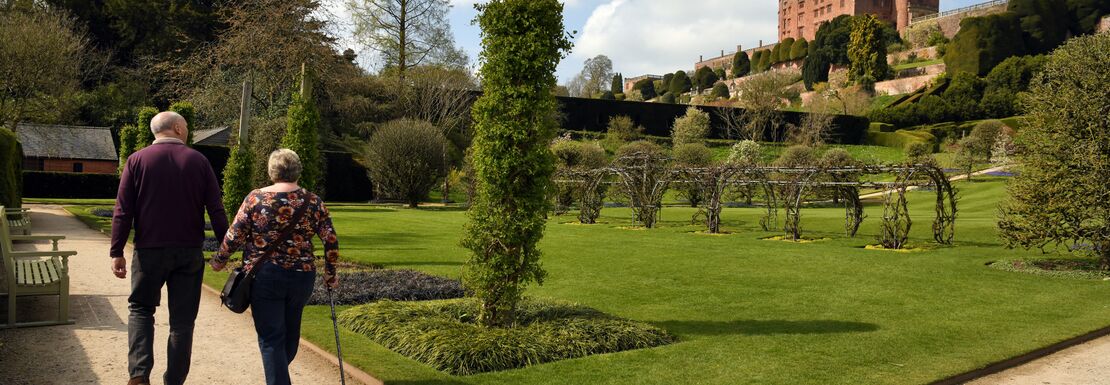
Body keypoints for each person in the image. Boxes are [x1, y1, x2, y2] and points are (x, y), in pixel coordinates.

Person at [111, 111, 229, 385]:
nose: (187, 130)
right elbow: (216, 208)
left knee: (141, 309)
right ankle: (174, 380)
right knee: (182, 321)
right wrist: (224, 248)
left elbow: (123, 210)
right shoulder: (198, 161)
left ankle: (139, 374)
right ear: (177, 128)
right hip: (188, 251)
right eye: (186, 126)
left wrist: (117, 250)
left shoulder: (136, 160)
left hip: (149, 249)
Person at [211, 149, 339, 385]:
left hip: (265, 276)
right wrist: (330, 274)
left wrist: (220, 260)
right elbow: (330, 239)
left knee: (271, 338)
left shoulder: (256, 198)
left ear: (272, 171)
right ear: (297, 170)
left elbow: (235, 234)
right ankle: (278, 376)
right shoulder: (313, 201)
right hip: (302, 276)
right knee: (290, 336)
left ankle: (277, 377)